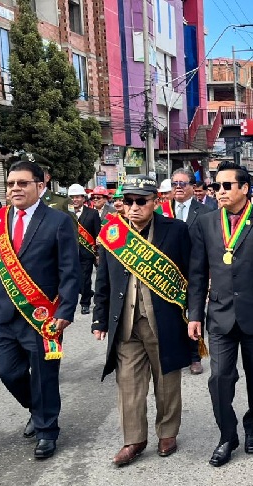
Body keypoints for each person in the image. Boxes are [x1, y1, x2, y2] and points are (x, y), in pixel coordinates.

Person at [187, 161, 253, 467]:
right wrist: (195, 314)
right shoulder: (206, 223)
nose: (220, 192)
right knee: (219, 378)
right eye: (216, 187)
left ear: (244, 188)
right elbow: (197, 273)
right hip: (219, 314)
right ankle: (226, 435)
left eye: (226, 186)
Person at [0, 160, 81, 460]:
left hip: (42, 316)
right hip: (3, 314)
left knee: (44, 375)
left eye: (22, 183)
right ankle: (37, 409)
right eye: (11, 184)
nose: (15, 189)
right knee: (7, 370)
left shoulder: (58, 221)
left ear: (40, 185)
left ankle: (47, 431)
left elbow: (69, 271)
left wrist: (66, 310)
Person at [92, 175, 192, 466]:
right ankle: (134, 439)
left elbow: (191, 276)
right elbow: (104, 283)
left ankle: (167, 432)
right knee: (128, 383)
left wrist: (195, 315)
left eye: (140, 201)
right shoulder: (112, 233)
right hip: (125, 321)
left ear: (155, 202)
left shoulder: (176, 231)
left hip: (163, 319)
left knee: (167, 379)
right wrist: (99, 319)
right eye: (127, 202)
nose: (133, 207)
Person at [169, 169, 208, 374]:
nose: (178, 187)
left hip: (194, 272)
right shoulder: (161, 210)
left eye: (182, 183)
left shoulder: (204, 213)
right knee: (171, 315)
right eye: (174, 183)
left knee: (194, 313)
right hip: (167, 271)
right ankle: (175, 354)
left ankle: (195, 356)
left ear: (193, 187)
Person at [68, 184, 101, 315]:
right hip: (69, 253)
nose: (75, 200)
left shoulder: (92, 214)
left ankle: (85, 303)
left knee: (85, 278)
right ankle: (86, 292)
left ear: (83, 198)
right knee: (73, 279)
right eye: (72, 197)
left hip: (86, 252)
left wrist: (98, 253)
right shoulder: (65, 213)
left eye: (77, 197)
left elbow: (97, 234)